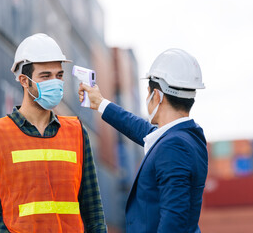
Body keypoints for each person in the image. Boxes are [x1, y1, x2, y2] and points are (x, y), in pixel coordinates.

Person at [0, 33, 107, 232]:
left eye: (59, 75)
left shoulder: (77, 133)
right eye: (46, 76)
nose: (55, 83)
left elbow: (95, 216)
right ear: (24, 80)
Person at [79, 48, 208, 232]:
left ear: (157, 96)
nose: (147, 98)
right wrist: (100, 103)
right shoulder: (189, 136)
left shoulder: (174, 146)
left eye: (148, 93)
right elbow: (143, 130)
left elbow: (173, 221)